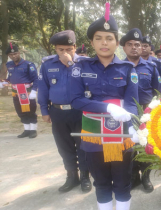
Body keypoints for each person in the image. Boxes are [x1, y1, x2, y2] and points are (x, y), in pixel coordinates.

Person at [69, 4, 139, 209]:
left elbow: (133, 103)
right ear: (91, 42)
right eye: (98, 38)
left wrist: (134, 125)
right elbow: (76, 100)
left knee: (123, 182)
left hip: (122, 134)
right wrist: (107, 108)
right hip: (93, 134)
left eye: (109, 38)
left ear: (117, 43)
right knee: (100, 182)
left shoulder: (128, 69)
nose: (104, 42)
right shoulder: (80, 68)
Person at [38, 30, 92, 193]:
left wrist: (71, 64)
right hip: (58, 112)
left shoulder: (84, 63)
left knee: (83, 145)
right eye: (61, 49)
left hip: (80, 112)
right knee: (64, 146)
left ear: (75, 47)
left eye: (68, 49)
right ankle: (71, 176)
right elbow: (43, 88)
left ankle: (85, 177)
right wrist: (44, 110)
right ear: (55, 49)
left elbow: (88, 82)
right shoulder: (47, 64)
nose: (65, 53)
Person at [120, 29, 161, 192]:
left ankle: (145, 176)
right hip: (126, 113)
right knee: (128, 147)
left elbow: (158, 92)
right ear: (124, 48)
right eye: (129, 45)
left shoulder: (151, 67)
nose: (134, 48)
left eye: (137, 44)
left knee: (146, 146)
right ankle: (133, 177)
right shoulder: (119, 67)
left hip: (146, 113)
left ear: (143, 47)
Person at [0, 43, 38, 138]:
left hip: (27, 91)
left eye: (15, 53)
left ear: (19, 53)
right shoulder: (9, 65)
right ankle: (27, 130)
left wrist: (34, 91)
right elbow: (11, 77)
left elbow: (36, 79)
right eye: (11, 55)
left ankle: (33, 130)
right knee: (20, 111)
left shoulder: (28, 64)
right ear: (9, 55)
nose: (14, 56)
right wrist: (5, 82)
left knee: (30, 110)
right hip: (16, 92)